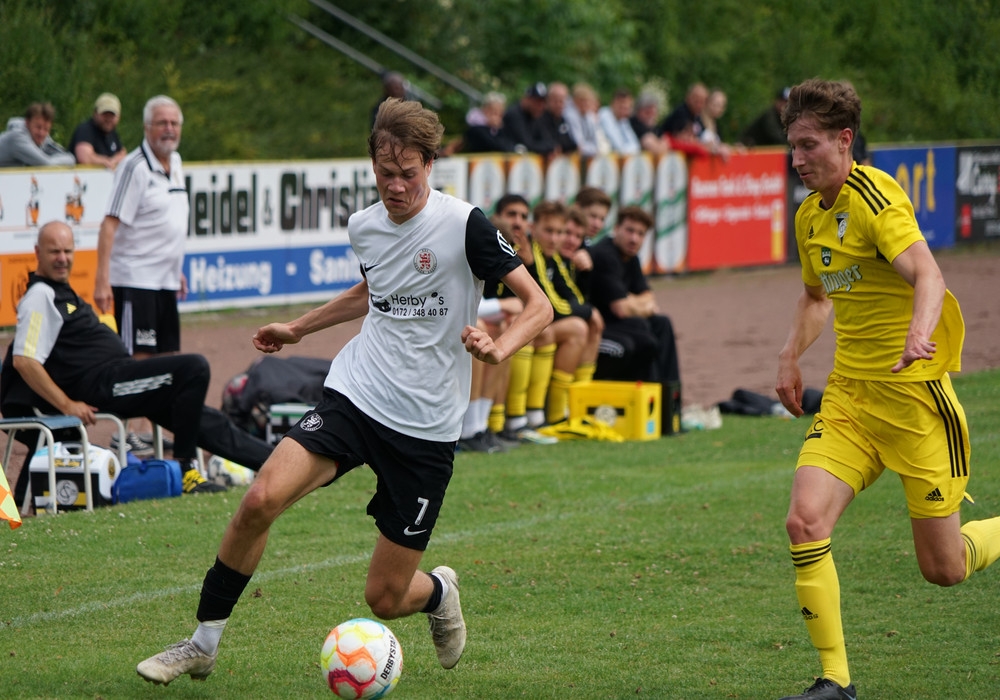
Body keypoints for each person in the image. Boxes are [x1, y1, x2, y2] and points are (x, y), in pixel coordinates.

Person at [135, 98, 552, 685]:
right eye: (385, 173)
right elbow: (371, 290)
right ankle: (202, 643)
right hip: (357, 394)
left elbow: (540, 305)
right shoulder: (365, 226)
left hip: (426, 427)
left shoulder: (466, 225)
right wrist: (297, 328)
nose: (396, 186)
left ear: (430, 165)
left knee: (385, 597)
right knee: (260, 499)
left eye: (408, 174)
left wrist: (498, 347)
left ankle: (438, 593)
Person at [774, 78, 1000, 700]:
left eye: (809, 145)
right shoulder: (809, 216)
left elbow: (928, 273)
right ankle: (835, 682)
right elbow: (816, 297)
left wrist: (919, 333)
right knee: (804, 521)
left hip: (914, 402)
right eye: (792, 147)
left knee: (944, 569)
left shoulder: (876, 197)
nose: (797, 160)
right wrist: (790, 356)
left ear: (844, 140)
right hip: (851, 401)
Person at [0, 222, 276, 508]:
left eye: (67, 251)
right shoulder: (39, 296)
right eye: (54, 251)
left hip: (117, 377)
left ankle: (275, 461)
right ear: (37, 252)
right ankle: (185, 469)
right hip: (104, 385)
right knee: (193, 369)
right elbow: (24, 360)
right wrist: (68, 404)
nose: (62, 258)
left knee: (201, 417)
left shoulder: (60, 292)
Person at [95, 95, 187, 455]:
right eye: (162, 123)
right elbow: (109, 224)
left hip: (165, 281)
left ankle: (151, 431)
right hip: (134, 280)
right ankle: (126, 431)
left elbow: (171, 223)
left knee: (167, 356)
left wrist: (177, 271)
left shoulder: (176, 162)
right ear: (147, 127)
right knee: (139, 358)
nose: (169, 129)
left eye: (174, 123)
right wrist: (102, 279)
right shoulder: (133, 167)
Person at [588, 206, 682, 429]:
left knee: (662, 323)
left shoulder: (632, 258)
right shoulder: (605, 255)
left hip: (621, 325)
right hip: (599, 330)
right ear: (616, 228)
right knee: (643, 333)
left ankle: (670, 406)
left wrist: (632, 302)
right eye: (630, 231)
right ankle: (651, 408)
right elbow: (622, 309)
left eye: (640, 234)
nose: (634, 239)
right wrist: (637, 303)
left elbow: (651, 300)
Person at [0, 102, 76, 168]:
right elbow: (45, 164)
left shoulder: (44, 138)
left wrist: (52, 161)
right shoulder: (17, 137)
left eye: (46, 129)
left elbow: (70, 158)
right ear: (27, 123)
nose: (41, 133)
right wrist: (52, 161)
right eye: (38, 127)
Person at [68, 92, 127, 170]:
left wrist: (113, 161)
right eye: (105, 114)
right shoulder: (85, 130)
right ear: (95, 113)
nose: (108, 119)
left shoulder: (112, 133)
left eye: (112, 115)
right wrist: (105, 162)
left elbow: (123, 154)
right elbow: (84, 158)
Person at [503, 82, 558, 158]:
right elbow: (527, 144)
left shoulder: (537, 115)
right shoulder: (514, 115)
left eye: (543, 102)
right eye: (537, 102)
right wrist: (546, 149)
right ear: (526, 99)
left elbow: (550, 141)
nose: (540, 106)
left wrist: (549, 148)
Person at [561, 82, 609, 158]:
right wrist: (593, 150)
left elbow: (595, 143)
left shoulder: (589, 116)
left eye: (587, 100)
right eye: (582, 100)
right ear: (575, 100)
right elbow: (579, 145)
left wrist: (593, 150)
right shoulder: (570, 115)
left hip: (587, 156)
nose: (585, 104)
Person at [598, 88, 641, 156]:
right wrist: (628, 151)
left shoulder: (623, 120)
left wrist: (626, 151)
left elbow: (636, 146)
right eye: (623, 107)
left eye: (627, 108)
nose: (626, 111)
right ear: (614, 103)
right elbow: (617, 146)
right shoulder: (604, 115)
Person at [541, 81, 577, 155]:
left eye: (561, 101)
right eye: (555, 101)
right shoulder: (540, 119)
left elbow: (570, 144)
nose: (559, 105)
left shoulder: (562, 120)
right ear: (548, 100)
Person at [630, 90, 670, 157]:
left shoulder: (655, 127)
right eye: (647, 112)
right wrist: (658, 144)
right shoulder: (633, 123)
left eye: (654, 112)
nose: (651, 115)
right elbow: (650, 145)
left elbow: (667, 144)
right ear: (639, 110)